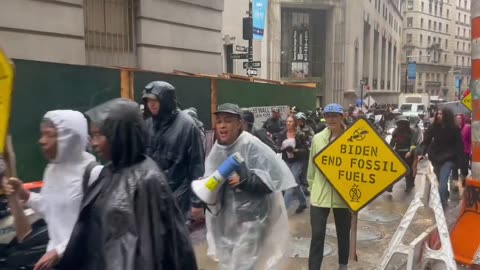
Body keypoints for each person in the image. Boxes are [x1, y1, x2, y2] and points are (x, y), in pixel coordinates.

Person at [58, 98, 197, 270]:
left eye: (99, 135)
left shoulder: (147, 181)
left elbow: (151, 253)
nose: (93, 143)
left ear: (119, 135)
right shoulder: (109, 172)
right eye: (92, 135)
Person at [3, 110, 101, 270]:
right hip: (55, 262)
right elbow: (49, 209)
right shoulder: (52, 170)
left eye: (49, 134)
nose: (42, 141)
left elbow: (97, 226)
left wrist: (60, 251)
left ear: (69, 137)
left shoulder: (93, 173)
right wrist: (23, 193)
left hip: (84, 261)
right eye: (42, 134)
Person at [205, 103, 296, 270]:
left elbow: (275, 178)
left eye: (228, 120)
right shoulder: (217, 148)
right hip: (227, 221)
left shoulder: (251, 145)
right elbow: (210, 181)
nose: (222, 125)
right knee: (230, 264)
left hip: (252, 221)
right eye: (219, 121)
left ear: (239, 123)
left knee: (243, 266)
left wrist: (245, 181)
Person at [141, 81, 205, 220]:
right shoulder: (147, 124)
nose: (151, 104)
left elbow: (196, 166)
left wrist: (197, 203)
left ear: (166, 101)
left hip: (178, 200)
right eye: (148, 100)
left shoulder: (187, 126)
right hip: (152, 199)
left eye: (155, 100)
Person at [307, 103, 351, 270]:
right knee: (317, 235)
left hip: (343, 195)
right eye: (328, 116)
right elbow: (312, 166)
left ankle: (343, 265)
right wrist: (312, 188)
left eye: (335, 115)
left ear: (342, 117)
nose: (331, 119)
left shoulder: (352, 137)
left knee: (343, 233)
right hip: (319, 196)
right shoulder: (317, 138)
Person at [417, 108, 464, 208]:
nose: (438, 115)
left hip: (448, 158)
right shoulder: (433, 127)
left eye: (441, 114)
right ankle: (444, 195)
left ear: (446, 115)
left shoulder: (454, 128)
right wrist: (421, 153)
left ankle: (442, 205)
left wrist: (461, 162)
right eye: (437, 113)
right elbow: (426, 141)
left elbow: (459, 145)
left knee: (442, 182)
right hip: (435, 157)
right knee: (439, 179)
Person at [277, 115, 309, 213]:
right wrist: (282, 148)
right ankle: (303, 202)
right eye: (287, 121)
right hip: (287, 161)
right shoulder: (282, 134)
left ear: (295, 123)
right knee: (295, 183)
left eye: (290, 121)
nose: (288, 123)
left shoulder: (300, 134)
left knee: (290, 183)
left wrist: (295, 150)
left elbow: (306, 150)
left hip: (299, 161)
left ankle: (283, 211)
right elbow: (278, 147)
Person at [388, 116, 419, 193]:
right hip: (398, 152)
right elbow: (392, 143)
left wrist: (410, 151)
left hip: (408, 152)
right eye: (400, 123)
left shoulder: (412, 132)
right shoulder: (396, 131)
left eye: (403, 123)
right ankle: (390, 186)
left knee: (408, 170)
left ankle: (409, 185)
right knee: (394, 170)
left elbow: (413, 143)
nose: (401, 125)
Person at [452, 113, 471, 188]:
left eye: (460, 118)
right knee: (454, 167)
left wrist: (470, 150)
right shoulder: (453, 128)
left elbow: (470, 140)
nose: (458, 120)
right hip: (454, 151)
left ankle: (464, 181)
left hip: (464, 151)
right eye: (457, 118)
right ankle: (455, 183)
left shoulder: (467, 127)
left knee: (464, 168)